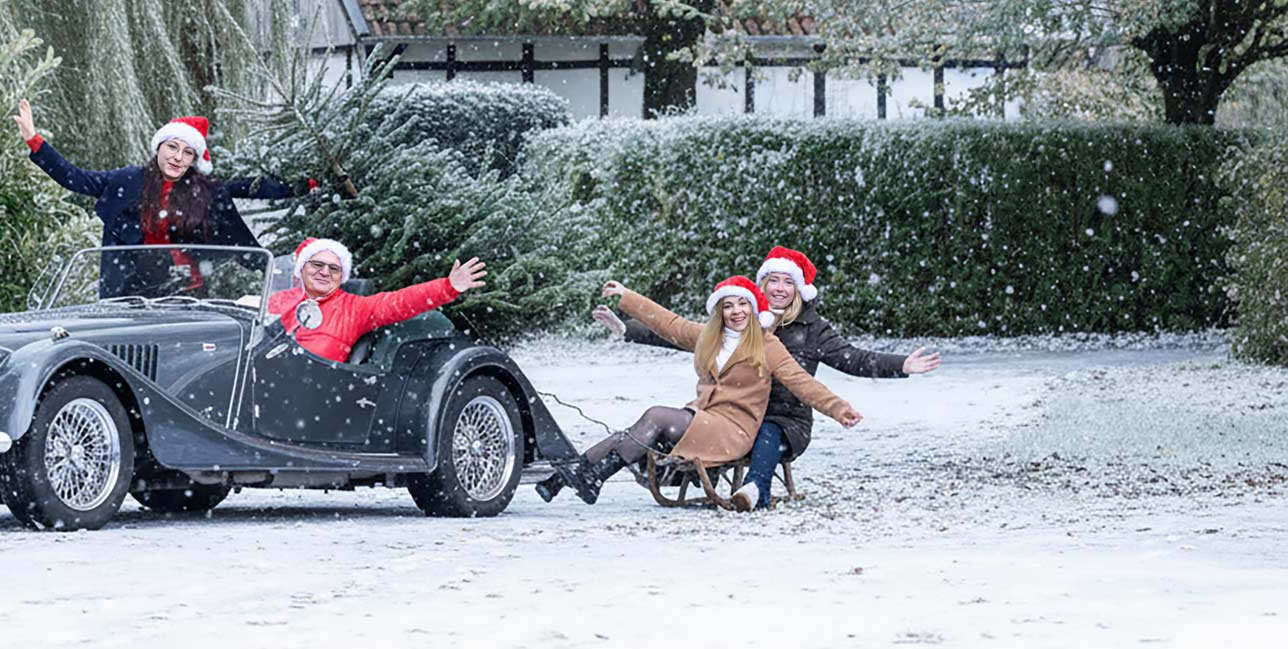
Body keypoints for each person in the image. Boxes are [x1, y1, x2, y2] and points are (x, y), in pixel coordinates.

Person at [594, 245, 938, 509]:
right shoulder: (744, 316)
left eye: (788, 282)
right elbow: (686, 334)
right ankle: (656, 468)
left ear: (799, 289)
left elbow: (852, 359)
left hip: (785, 417)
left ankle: (756, 488)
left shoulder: (811, 329)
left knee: (767, 433)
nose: (779, 288)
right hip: (734, 411)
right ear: (762, 285)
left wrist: (900, 365)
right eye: (773, 280)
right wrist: (628, 329)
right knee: (687, 422)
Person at [537, 276, 861, 506]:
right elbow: (667, 322)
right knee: (630, 435)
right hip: (704, 417)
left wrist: (838, 408)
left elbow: (803, 383)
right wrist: (627, 296)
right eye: (728, 306)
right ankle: (570, 477)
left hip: (734, 429)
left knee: (654, 417)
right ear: (719, 311)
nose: (736, 312)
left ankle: (592, 477)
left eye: (742, 305)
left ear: (753, 308)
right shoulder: (709, 337)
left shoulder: (767, 344)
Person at [15, 100, 309, 297]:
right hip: (129, 290)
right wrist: (34, 140)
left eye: (187, 152)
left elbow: (251, 188)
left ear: (194, 159)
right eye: (172, 147)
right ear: (159, 147)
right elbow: (76, 178)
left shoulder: (203, 191)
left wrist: (304, 186)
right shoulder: (128, 180)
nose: (177, 158)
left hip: (186, 291)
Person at [265, 237, 487, 363]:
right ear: (300, 270)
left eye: (333, 268)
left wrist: (448, 287)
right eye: (316, 265)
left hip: (311, 382)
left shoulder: (353, 307)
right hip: (263, 372)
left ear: (342, 277)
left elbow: (401, 302)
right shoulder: (276, 300)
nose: (324, 272)